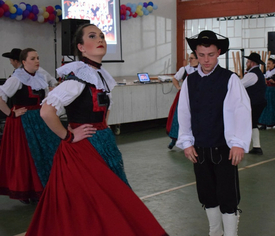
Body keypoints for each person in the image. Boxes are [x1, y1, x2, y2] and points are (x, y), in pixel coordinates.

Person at [25, 24, 168, 236]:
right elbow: (46, 112)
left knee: (112, 199)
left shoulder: (100, 76)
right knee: (95, 205)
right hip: (84, 150)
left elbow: (104, 111)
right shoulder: (77, 79)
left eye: (102, 35)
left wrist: (103, 129)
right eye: (93, 36)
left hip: (104, 143)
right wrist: (69, 135)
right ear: (81, 47)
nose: (100, 39)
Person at [176, 30, 252, 236]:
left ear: (218, 52)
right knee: (207, 194)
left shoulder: (230, 79)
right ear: (195, 54)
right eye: (201, 55)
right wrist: (186, 142)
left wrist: (238, 143)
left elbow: (242, 111)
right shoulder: (190, 82)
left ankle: (230, 233)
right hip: (199, 149)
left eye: (210, 54)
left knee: (227, 195)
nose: (206, 60)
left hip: (225, 149)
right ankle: (214, 232)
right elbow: (184, 112)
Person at [0, 48, 60, 204]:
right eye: (33, 58)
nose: (37, 61)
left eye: (38, 58)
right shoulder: (17, 78)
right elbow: (1, 97)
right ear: (24, 62)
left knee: (47, 151)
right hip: (24, 122)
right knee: (27, 156)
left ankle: (46, 186)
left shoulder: (40, 76)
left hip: (40, 120)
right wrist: (11, 113)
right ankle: (29, 190)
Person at [166, 51, 198, 149]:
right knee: (179, 118)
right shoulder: (184, 69)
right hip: (184, 97)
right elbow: (174, 79)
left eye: (192, 58)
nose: (190, 60)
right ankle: (174, 139)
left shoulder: (202, 70)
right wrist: (178, 87)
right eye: (190, 58)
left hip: (197, 97)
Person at [240, 52, 267, 155]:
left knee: (247, 123)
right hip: (258, 102)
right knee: (252, 123)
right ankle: (256, 147)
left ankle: (246, 145)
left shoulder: (252, 74)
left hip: (254, 102)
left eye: (247, 62)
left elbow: (240, 85)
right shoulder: (257, 73)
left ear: (252, 63)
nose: (246, 63)